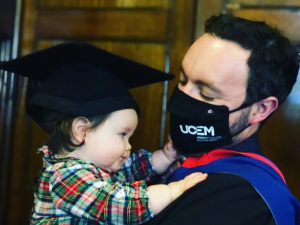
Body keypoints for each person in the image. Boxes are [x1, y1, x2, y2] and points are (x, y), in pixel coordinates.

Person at [0, 42, 207, 224]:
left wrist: (166, 155)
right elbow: (115, 204)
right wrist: (173, 191)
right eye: (122, 135)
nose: (129, 146)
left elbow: (134, 168)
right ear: (82, 131)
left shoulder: (99, 170)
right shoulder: (65, 176)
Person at [145, 14, 300, 225]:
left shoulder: (244, 200)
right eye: (183, 80)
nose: (183, 99)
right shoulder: (179, 160)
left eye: (207, 94)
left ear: (261, 109)